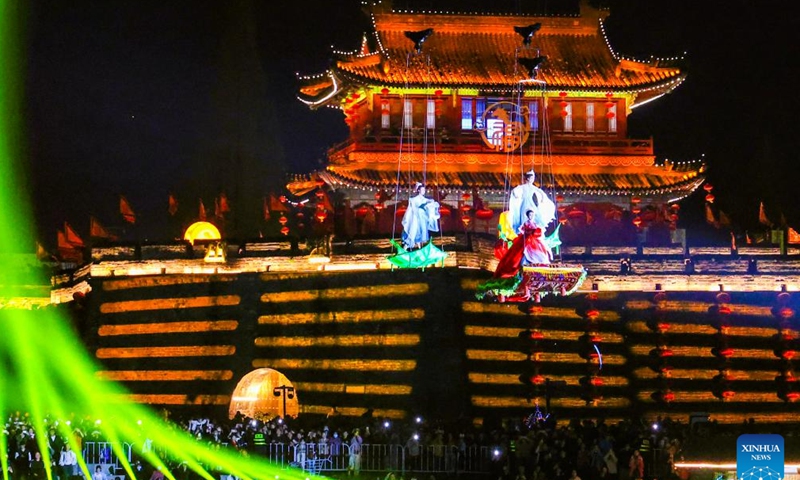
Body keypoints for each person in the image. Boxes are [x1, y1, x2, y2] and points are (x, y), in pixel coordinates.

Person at [493, 210, 552, 278]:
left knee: (541, 253)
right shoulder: (526, 223)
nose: (531, 216)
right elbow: (521, 229)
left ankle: (539, 268)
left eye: (532, 215)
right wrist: (528, 232)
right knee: (520, 253)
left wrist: (536, 233)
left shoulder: (535, 224)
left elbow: (539, 232)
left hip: (534, 241)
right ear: (527, 216)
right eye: (530, 215)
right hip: (526, 239)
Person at [507, 171, 555, 235]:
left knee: (537, 215)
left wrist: (543, 198)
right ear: (528, 178)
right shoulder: (523, 186)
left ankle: (535, 229)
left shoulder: (533, 187)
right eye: (532, 178)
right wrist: (516, 196)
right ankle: (523, 232)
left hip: (531, 203)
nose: (533, 179)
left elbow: (540, 192)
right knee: (523, 217)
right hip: (524, 203)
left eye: (533, 178)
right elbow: (514, 190)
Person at [401, 183, 441, 250]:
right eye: (422, 190)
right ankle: (404, 249)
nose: (423, 191)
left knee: (420, 235)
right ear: (418, 190)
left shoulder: (425, 200)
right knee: (412, 233)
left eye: (424, 190)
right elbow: (412, 209)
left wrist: (433, 204)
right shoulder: (413, 200)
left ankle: (420, 249)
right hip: (415, 219)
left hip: (422, 219)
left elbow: (433, 204)